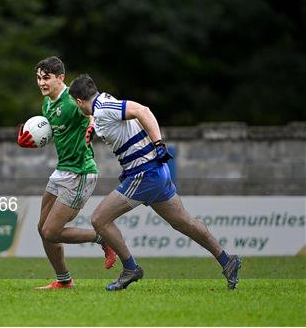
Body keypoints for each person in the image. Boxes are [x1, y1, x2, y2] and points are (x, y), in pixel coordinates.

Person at [68, 74, 242, 291]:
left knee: (99, 219)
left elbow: (143, 111)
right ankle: (227, 260)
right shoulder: (103, 103)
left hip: (144, 173)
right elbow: (108, 118)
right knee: (184, 222)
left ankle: (131, 268)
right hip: (156, 171)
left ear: (79, 102)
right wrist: (93, 126)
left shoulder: (103, 108)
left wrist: (159, 142)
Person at [17, 57, 116, 289]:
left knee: (52, 231)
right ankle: (64, 281)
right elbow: (52, 132)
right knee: (43, 229)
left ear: (60, 77)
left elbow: (91, 110)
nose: (41, 83)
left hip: (81, 172)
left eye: (46, 78)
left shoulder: (72, 100)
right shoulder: (47, 104)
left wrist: (92, 123)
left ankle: (103, 238)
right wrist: (32, 139)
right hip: (62, 170)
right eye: (39, 78)